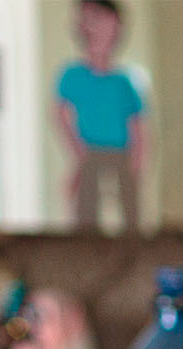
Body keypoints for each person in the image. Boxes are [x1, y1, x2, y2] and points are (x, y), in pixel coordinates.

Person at [53, 0, 145, 234]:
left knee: (129, 213)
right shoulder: (72, 76)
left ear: (116, 28)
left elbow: (138, 129)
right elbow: (60, 115)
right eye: (87, 19)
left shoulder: (125, 83)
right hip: (90, 153)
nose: (93, 28)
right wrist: (79, 155)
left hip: (121, 154)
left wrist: (136, 165)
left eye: (99, 19)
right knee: (86, 215)